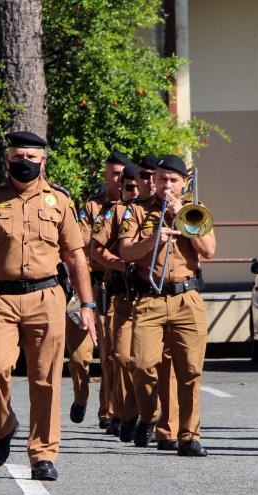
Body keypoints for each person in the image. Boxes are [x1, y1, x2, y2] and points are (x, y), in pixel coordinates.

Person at [0, 131, 96, 481]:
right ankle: (3, 425)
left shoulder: (59, 201)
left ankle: (43, 454)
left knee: (45, 379)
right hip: (0, 298)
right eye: (18, 156)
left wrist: (88, 303)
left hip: (47, 297)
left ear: (43, 160)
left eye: (32, 158)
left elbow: (76, 255)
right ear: (7, 159)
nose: (25, 163)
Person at [119, 154, 216, 457]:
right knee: (141, 365)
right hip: (150, 297)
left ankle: (189, 435)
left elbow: (209, 250)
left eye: (174, 180)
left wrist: (183, 218)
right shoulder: (135, 211)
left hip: (186, 298)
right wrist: (153, 241)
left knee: (189, 371)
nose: (167, 185)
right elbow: (125, 252)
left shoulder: (195, 211)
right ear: (154, 181)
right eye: (162, 179)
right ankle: (150, 414)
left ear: (184, 183)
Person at [68, 151, 129, 431]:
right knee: (79, 356)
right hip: (89, 282)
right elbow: (79, 241)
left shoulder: (136, 205)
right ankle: (81, 398)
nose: (118, 179)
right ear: (106, 174)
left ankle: (110, 412)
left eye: (122, 174)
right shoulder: (93, 205)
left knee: (111, 353)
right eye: (113, 173)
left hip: (115, 284)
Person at [90, 162, 147, 444]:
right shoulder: (114, 212)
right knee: (121, 357)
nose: (135, 191)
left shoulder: (159, 210)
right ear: (122, 188)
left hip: (156, 296)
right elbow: (95, 248)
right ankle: (124, 413)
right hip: (123, 294)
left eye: (139, 185)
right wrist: (122, 265)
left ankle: (152, 416)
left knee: (150, 361)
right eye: (130, 187)